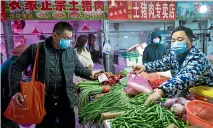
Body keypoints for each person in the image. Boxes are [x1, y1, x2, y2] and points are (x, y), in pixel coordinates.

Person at [9, 22, 101, 128]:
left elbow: (79, 69)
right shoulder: (37, 49)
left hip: (66, 101)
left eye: (70, 38)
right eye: (65, 38)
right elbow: (16, 67)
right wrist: (16, 91)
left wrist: (91, 74)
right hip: (44, 101)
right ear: (54, 35)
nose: (68, 41)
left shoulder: (70, 52)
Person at [133, 26, 213, 104]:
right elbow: (162, 63)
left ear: (190, 41)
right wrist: (144, 67)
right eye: (173, 40)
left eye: (180, 40)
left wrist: (162, 90)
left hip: (205, 97)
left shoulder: (198, 58)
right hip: (188, 94)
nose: (176, 43)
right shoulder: (174, 55)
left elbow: (185, 77)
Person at [1, 44, 27, 128]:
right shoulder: (13, 65)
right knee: (8, 120)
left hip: (4, 97)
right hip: (4, 99)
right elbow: (14, 83)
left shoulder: (10, 62)